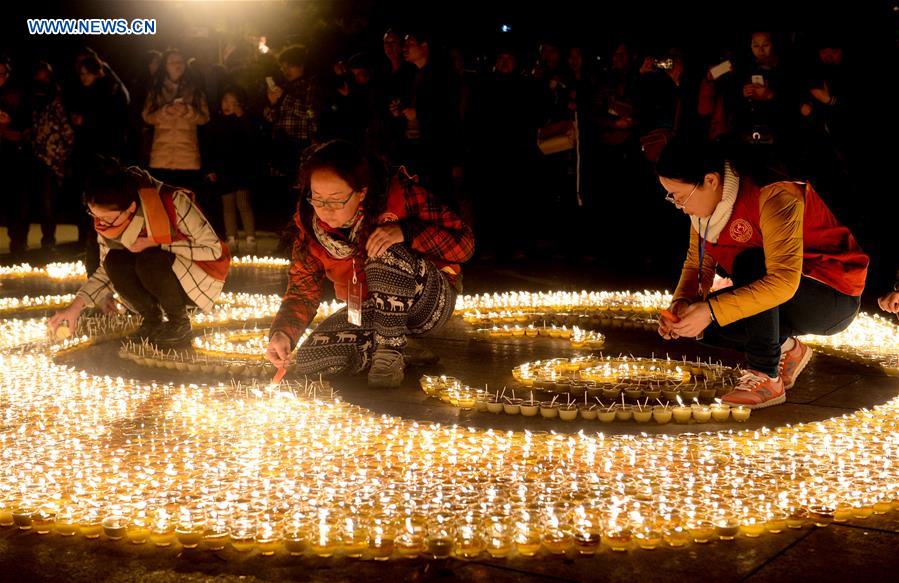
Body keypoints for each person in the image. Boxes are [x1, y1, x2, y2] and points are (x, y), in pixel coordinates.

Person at [655, 138, 868, 409]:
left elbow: (782, 282)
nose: (678, 205)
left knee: (751, 263)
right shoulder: (704, 211)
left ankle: (766, 375)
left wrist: (709, 310)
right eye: (670, 196)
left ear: (710, 180)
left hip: (830, 295)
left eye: (680, 196)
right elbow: (698, 265)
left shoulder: (773, 192)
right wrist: (682, 305)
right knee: (703, 329)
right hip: (783, 292)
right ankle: (788, 351)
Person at [265, 140, 474, 388]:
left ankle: (389, 355)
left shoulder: (398, 196)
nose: (325, 210)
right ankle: (402, 350)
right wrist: (283, 333)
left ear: (361, 193)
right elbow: (302, 288)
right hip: (368, 309)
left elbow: (465, 243)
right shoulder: (311, 227)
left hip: (426, 302)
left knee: (381, 247)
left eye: (335, 200)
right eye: (317, 199)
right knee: (311, 360)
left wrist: (406, 232)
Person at [48, 159, 230, 346]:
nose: (100, 224)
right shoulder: (107, 224)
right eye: (94, 216)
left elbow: (213, 250)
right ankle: (151, 319)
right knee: (114, 261)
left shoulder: (172, 202)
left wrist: (158, 243)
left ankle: (179, 322)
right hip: (155, 277)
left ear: (131, 208)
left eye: (106, 218)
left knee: (150, 258)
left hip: (198, 280)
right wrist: (75, 307)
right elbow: (106, 270)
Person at [142, 49, 210, 192]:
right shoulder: (156, 89)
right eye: (171, 62)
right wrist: (165, 111)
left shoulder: (195, 89)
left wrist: (188, 111)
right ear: (165, 66)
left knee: (186, 204)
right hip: (161, 157)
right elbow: (147, 117)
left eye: (179, 62)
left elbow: (205, 118)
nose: (176, 65)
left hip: (188, 158)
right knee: (162, 205)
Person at [204, 86, 258, 254]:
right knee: (227, 205)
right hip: (223, 169)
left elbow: (252, 139)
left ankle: (250, 238)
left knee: (243, 203)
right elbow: (210, 146)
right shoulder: (215, 122)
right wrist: (210, 168)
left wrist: (242, 117)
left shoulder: (243, 121)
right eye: (226, 101)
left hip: (242, 168)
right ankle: (231, 238)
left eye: (234, 102)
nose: (229, 105)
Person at [28, 62, 75, 251]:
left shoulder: (57, 102)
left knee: (48, 202)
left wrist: (59, 155)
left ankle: (48, 240)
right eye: (38, 78)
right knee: (35, 201)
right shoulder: (32, 102)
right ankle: (24, 242)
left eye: (44, 77)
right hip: (33, 156)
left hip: (52, 159)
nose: (41, 82)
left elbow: (67, 133)